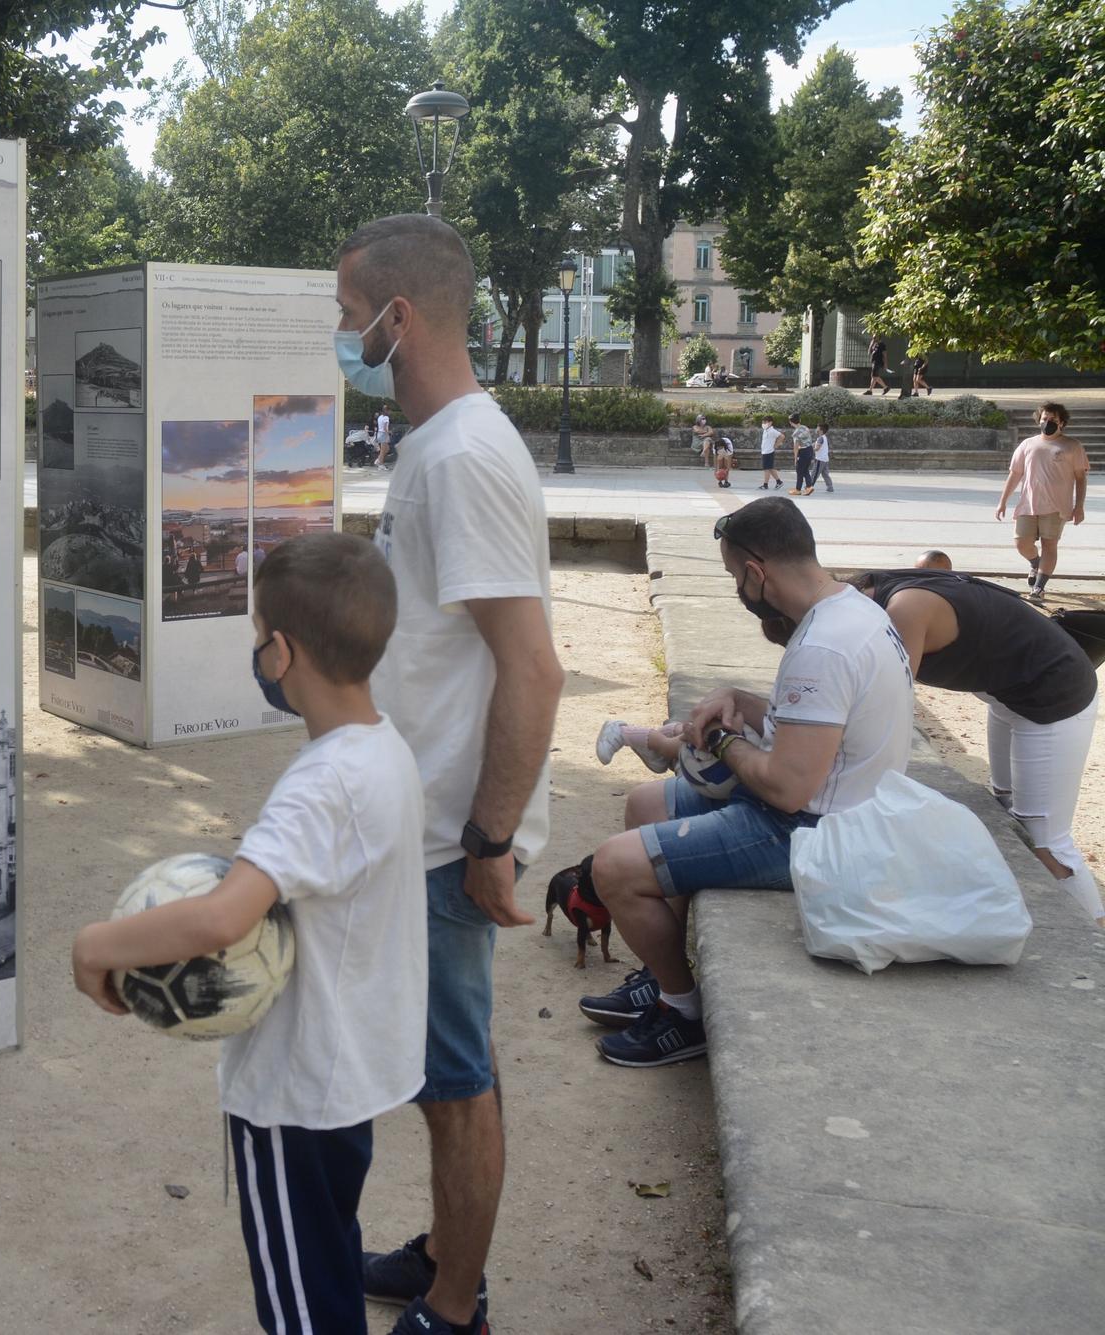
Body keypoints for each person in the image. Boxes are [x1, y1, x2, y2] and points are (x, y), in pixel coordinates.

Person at [71, 534, 426, 1335]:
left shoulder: (319, 785)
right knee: (327, 1256)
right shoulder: (384, 748)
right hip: (350, 1073)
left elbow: (225, 914)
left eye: (257, 635)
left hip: (295, 1092)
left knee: (302, 1306)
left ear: (283, 653)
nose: (255, 651)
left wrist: (97, 944)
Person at [333, 213, 564, 1335]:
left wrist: (487, 843)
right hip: (417, 823)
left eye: (348, 318)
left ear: (398, 317)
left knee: (454, 1079)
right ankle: (440, 1253)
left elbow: (532, 667)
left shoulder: (466, 454)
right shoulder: (434, 444)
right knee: (435, 1074)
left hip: (445, 841)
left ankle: (455, 1302)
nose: (344, 337)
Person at [576, 497, 914, 1066]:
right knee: (645, 803)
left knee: (612, 866)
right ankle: (661, 976)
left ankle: (683, 1014)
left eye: (736, 576)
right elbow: (810, 727)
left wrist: (721, 742)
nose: (739, 588)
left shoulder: (822, 648)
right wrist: (737, 701)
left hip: (814, 833)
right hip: (842, 806)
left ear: (757, 572)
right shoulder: (853, 610)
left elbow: (787, 789)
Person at [852, 567, 1105, 926]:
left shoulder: (903, 609)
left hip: (1054, 698)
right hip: (1007, 693)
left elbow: (883, 709)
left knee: (1047, 842)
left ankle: (1095, 940)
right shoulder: (873, 593)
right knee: (1004, 807)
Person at [996, 402, 1087, 600]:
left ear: (1062, 423)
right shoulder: (1027, 444)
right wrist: (1003, 501)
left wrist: (1079, 506)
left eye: (1053, 419)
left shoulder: (1072, 446)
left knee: (1049, 545)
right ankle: (1035, 563)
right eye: (1045, 419)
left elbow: (1080, 478)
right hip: (1028, 504)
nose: (1047, 422)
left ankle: (1039, 587)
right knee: (1021, 543)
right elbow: (1015, 474)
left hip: (1056, 507)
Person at [787, 414, 816, 496]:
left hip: (803, 451)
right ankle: (808, 487)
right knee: (805, 470)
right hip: (810, 450)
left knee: (799, 470)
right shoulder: (805, 427)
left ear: (791, 422)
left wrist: (795, 458)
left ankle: (799, 489)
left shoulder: (795, 433)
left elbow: (796, 446)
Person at [757, 416, 784, 490]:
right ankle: (779, 482)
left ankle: (765, 485)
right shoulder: (766, 430)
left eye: (765, 422)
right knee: (770, 468)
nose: (763, 424)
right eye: (763, 422)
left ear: (770, 422)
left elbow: (782, 436)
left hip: (769, 451)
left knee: (766, 469)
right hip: (765, 451)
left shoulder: (772, 431)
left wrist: (776, 444)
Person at [811, 421, 835, 494]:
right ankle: (830, 487)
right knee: (825, 474)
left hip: (820, 459)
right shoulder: (824, 437)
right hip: (825, 459)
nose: (816, 429)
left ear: (820, 430)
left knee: (814, 474)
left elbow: (817, 448)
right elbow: (815, 444)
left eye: (817, 428)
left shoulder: (820, 438)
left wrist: (809, 450)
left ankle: (809, 487)